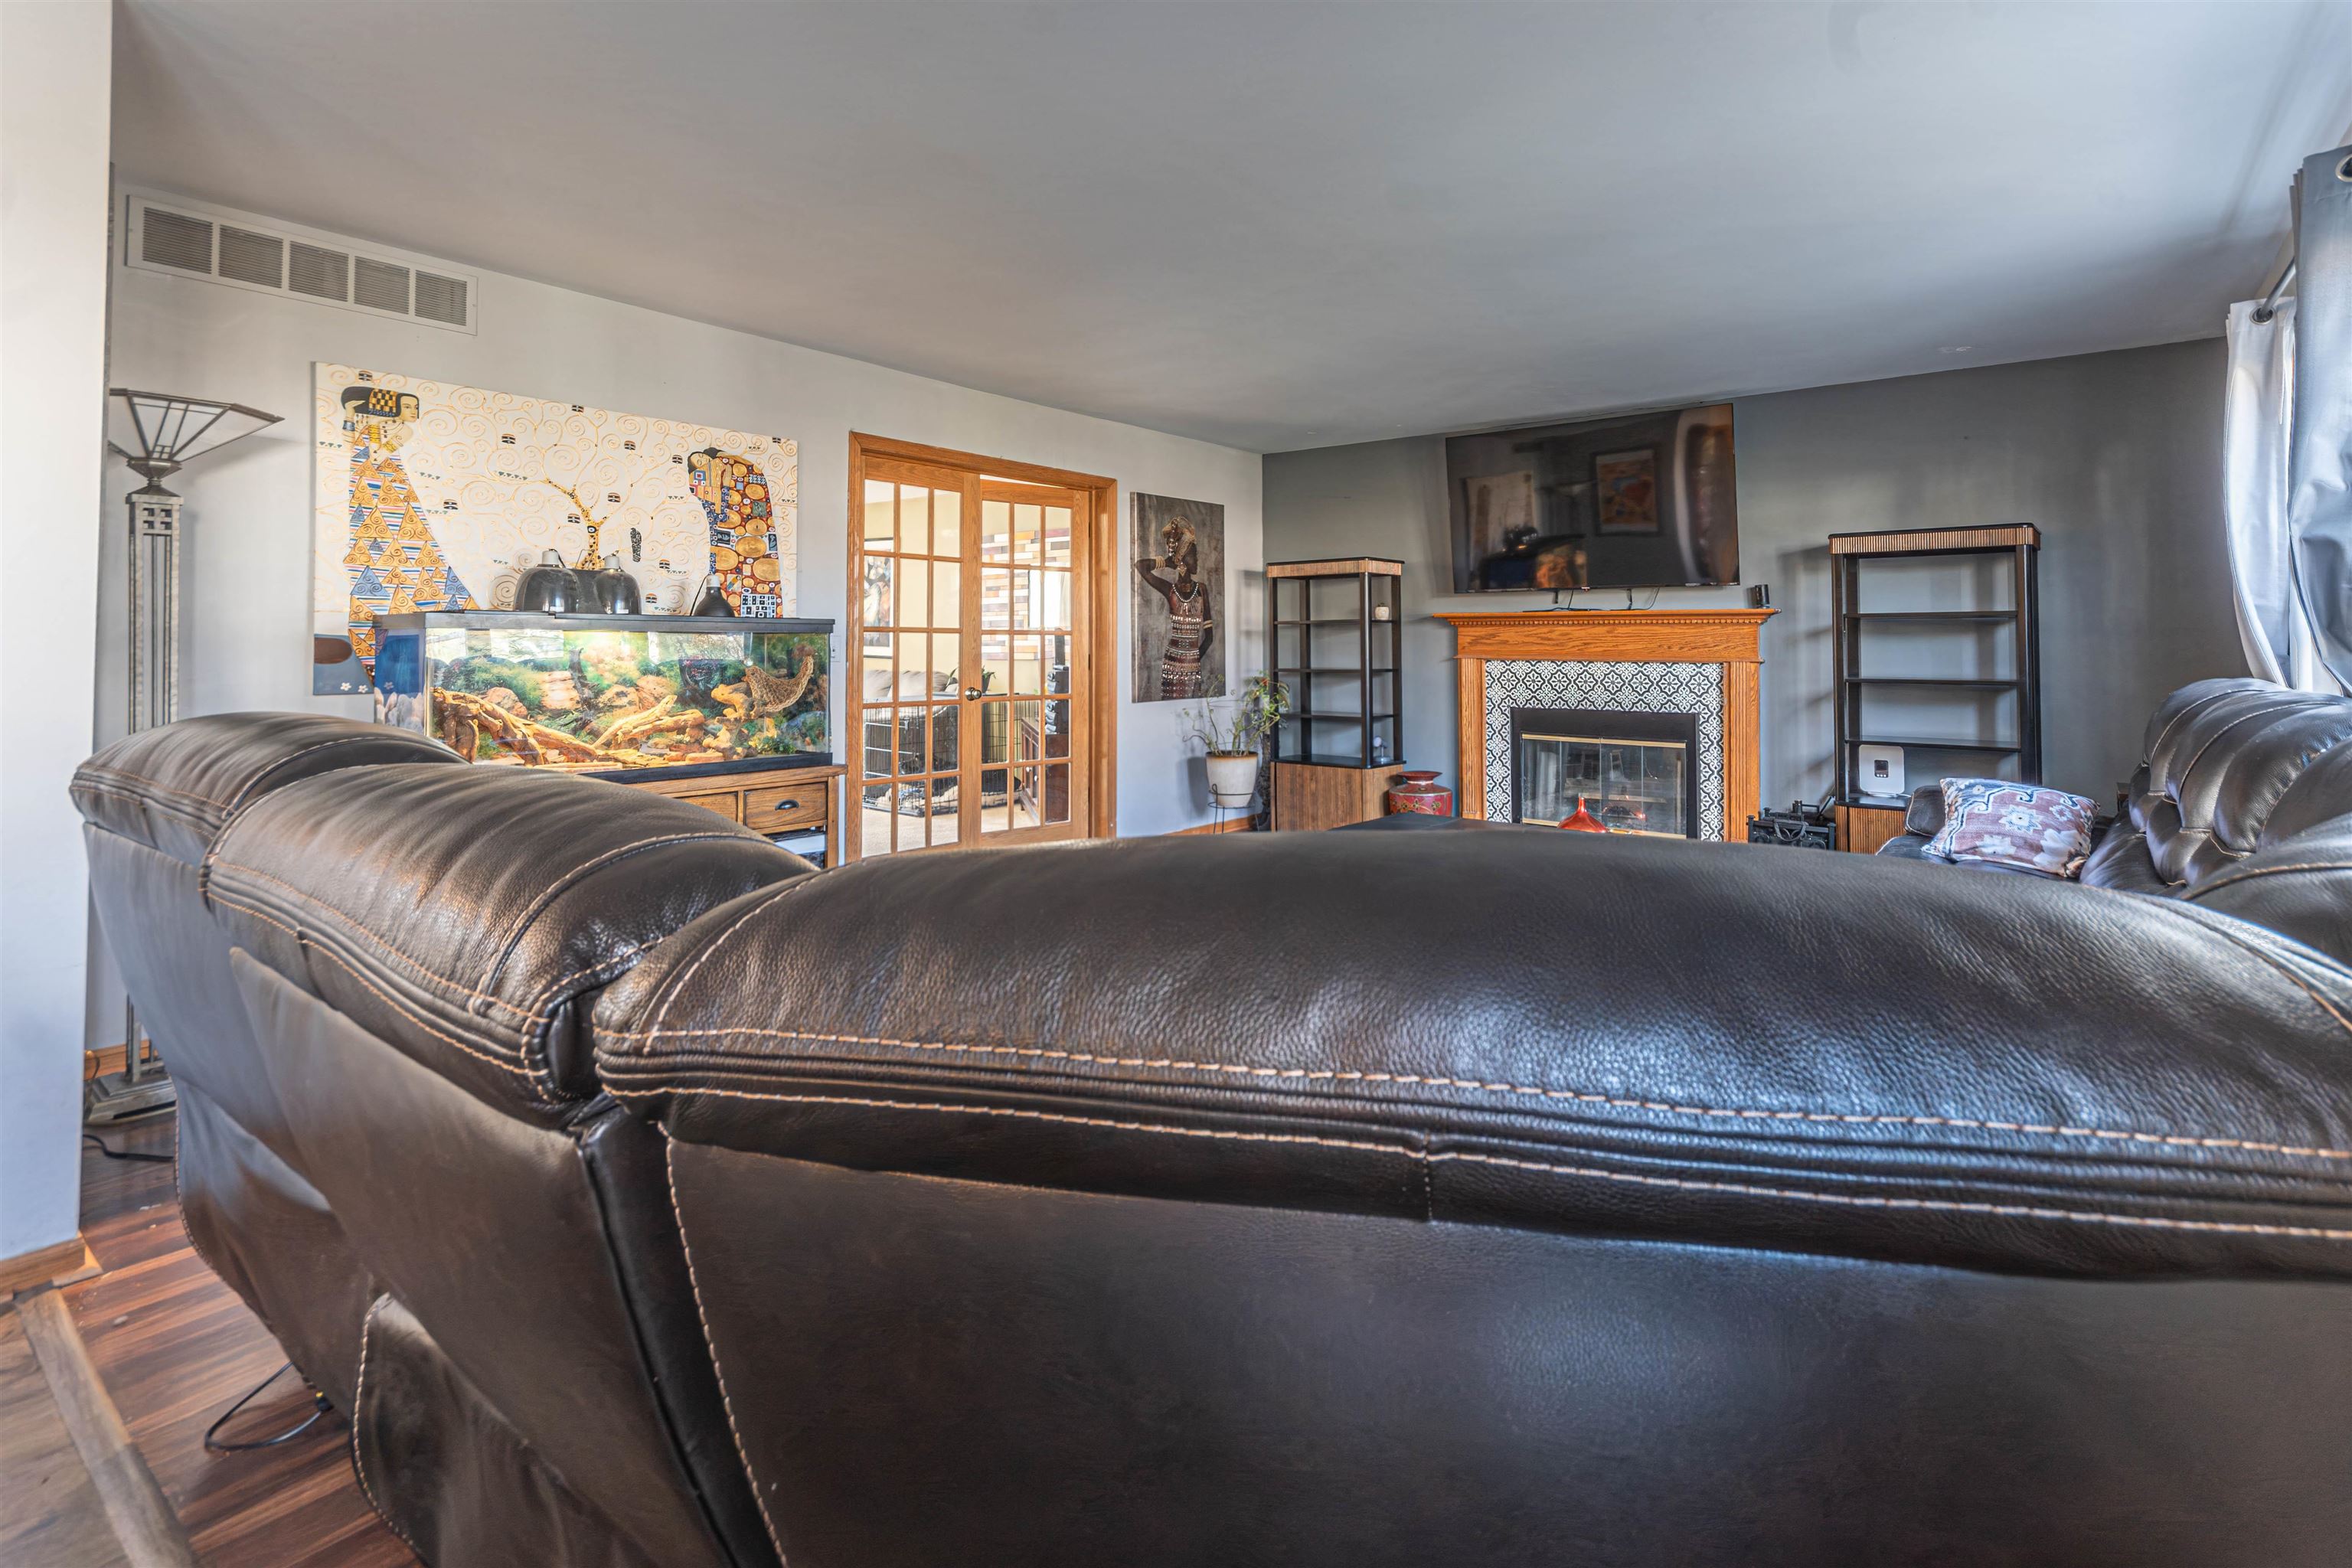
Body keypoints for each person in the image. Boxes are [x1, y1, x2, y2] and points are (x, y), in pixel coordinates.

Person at [1133, 518, 1214, 699]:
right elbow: (1140, 566)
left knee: (1191, 706)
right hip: (1173, 661)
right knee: (1170, 703)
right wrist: (1168, 562)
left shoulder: (1201, 590)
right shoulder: (1170, 590)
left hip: (1193, 662)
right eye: (1193, 555)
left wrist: (1193, 660)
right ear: (1182, 559)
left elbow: (1209, 638)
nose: (1197, 559)